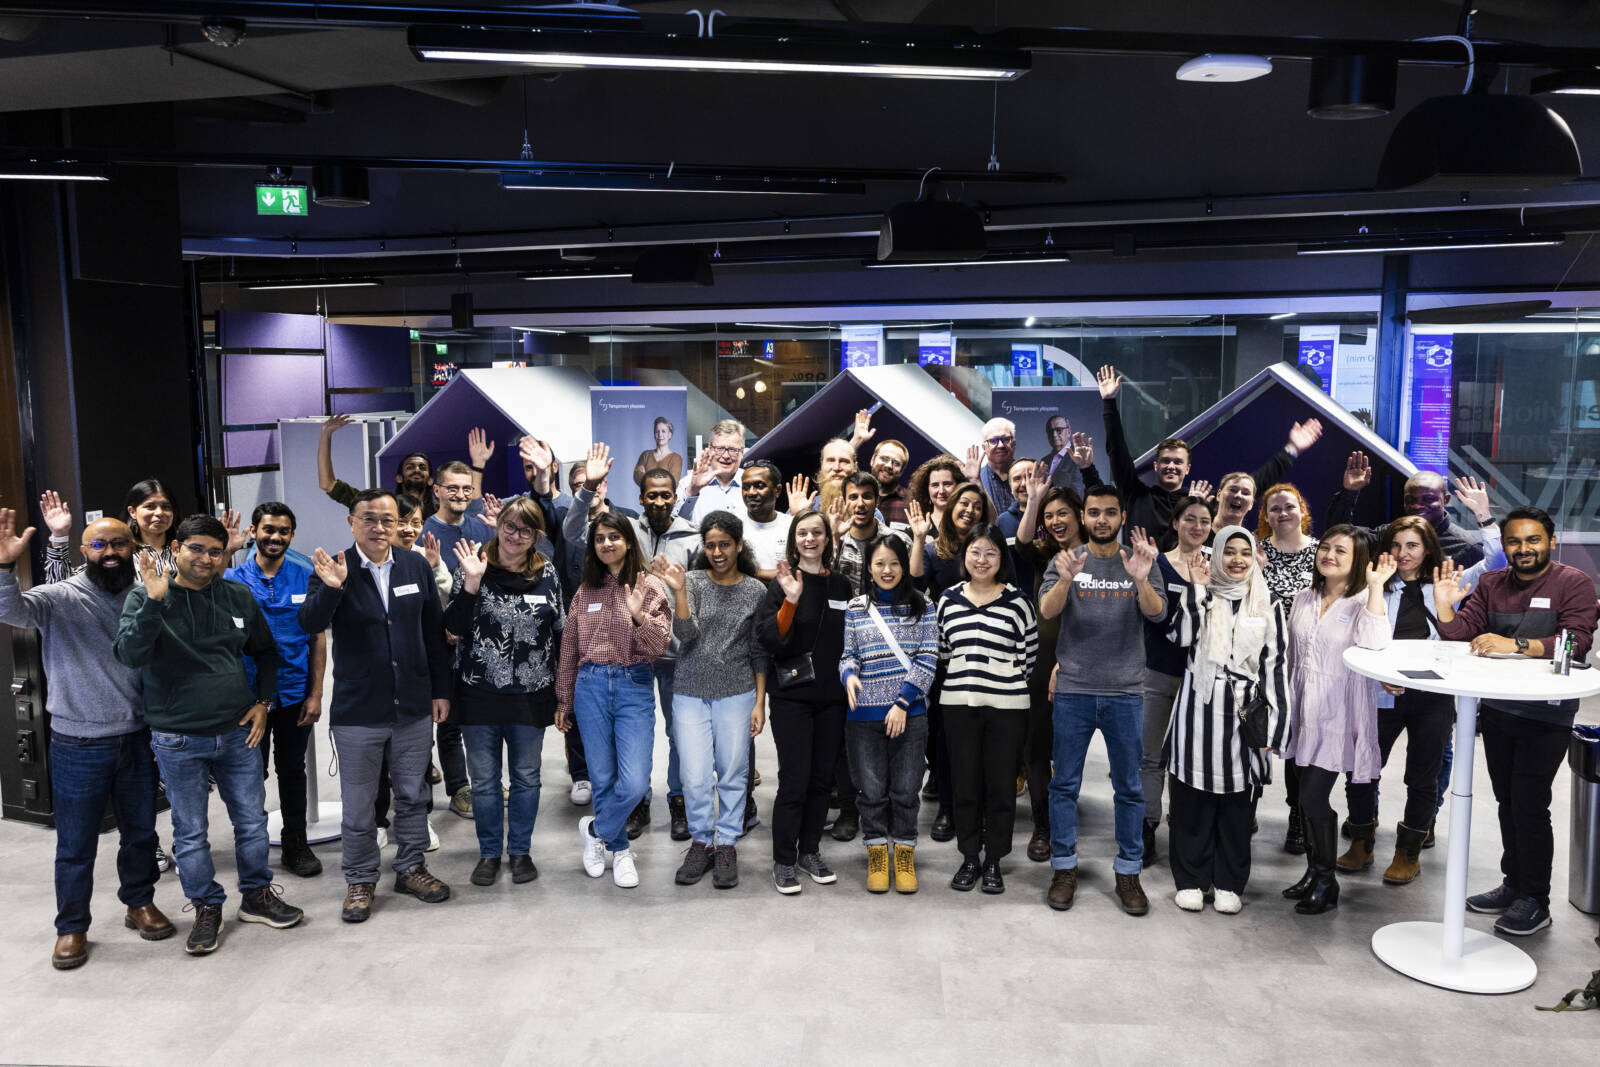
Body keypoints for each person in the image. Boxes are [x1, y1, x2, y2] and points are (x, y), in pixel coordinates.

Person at [114, 515, 304, 954]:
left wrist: (264, 703)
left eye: (214, 552)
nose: (205, 558)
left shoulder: (237, 595)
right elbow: (129, 653)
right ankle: (205, 906)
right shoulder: (147, 595)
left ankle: (256, 895)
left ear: (224, 555)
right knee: (192, 831)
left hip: (238, 732)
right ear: (177, 547)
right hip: (178, 738)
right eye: (196, 548)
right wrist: (155, 602)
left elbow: (266, 653)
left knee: (253, 822)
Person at [0, 510, 172, 970]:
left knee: (140, 834)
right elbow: (11, 611)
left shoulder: (144, 596)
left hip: (136, 739)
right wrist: (3, 570)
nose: (111, 553)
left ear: (132, 548)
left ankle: (139, 904)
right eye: (101, 545)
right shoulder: (60, 598)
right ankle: (71, 927)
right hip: (78, 744)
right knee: (76, 845)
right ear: (84, 551)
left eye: (119, 544)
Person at [1436, 506, 1599, 936]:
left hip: (1546, 713)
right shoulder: (1491, 583)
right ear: (1504, 544)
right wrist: (1445, 607)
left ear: (1550, 542)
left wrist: (1515, 644)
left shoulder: (1574, 583)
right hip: (1498, 710)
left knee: (1529, 804)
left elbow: (1577, 642)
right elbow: (1461, 635)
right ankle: (1514, 884)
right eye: (1514, 541)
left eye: (1533, 540)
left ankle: (1535, 900)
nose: (1523, 549)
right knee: (1508, 802)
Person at [298, 490, 454, 924]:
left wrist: (440, 691)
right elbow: (309, 623)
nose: (380, 527)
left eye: (388, 519)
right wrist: (332, 589)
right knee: (361, 804)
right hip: (358, 712)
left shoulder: (415, 566)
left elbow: (433, 635)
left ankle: (410, 868)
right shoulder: (333, 567)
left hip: (413, 707)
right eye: (369, 519)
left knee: (412, 795)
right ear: (352, 523)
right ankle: (361, 878)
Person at [1337, 516, 1499, 884]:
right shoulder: (1373, 583)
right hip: (1380, 692)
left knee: (1423, 775)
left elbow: (1495, 562)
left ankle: (1408, 850)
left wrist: (1486, 519)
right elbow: (1362, 635)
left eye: (1412, 545)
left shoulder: (1445, 582)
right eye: (1396, 545)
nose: (1402, 553)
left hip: (1433, 696)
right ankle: (1361, 839)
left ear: (1427, 549)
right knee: (1362, 769)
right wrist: (1380, 673)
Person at [1038, 486, 1165, 915]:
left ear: (1122, 515)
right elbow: (1048, 611)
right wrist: (1068, 578)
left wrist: (1142, 579)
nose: (1102, 520)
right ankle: (1064, 868)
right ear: (1085, 517)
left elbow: (1157, 612)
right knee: (1064, 785)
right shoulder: (1067, 560)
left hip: (1126, 691)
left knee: (1128, 788)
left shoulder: (1140, 558)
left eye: (1110, 512)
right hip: (1074, 689)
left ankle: (1128, 873)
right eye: (1094, 513)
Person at [1163, 525, 1291, 914]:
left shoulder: (1269, 605)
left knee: (1236, 807)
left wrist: (1276, 728)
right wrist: (1196, 588)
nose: (1237, 560)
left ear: (1254, 558)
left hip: (1244, 714)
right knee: (1190, 804)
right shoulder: (1204, 596)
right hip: (1197, 708)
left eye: (1244, 553)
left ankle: (1228, 882)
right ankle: (1190, 879)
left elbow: (1276, 668)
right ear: (1216, 555)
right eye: (1229, 552)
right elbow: (1180, 637)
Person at [444, 497, 565, 888]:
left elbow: (560, 632)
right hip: (479, 694)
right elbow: (454, 627)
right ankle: (489, 853)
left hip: (530, 696)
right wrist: (471, 583)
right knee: (484, 782)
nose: (516, 536)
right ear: (499, 526)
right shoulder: (476, 563)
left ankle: (520, 852)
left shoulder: (547, 571)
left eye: (526, 530)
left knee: (527, 779)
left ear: (536, 536)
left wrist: (562, 693)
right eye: (510, 527)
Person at [1281, 525, 1394, 916]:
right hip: (1301, 710)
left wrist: (1377, 586)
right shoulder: (1304, 597)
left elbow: (1377, 643)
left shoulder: (1365, 600)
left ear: (1358, 559)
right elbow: (1292, 656)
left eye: (1340, 551)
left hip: (1337, 712)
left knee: (1314, 798)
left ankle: (1327, 881)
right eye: (1325, 547)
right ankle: (1314, 872)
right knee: (1301, 799)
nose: (1328, 554)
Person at [555, 513, 672, 889]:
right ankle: (619, 849)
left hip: (632, 684)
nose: (607, 544)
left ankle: (596, 829)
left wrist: (639, 616)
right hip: (590, 686)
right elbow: (569, 648)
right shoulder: (584, 591)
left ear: (628, 541)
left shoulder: (650, 585)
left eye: (614, 537)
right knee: (602, 778)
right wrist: (563, 699)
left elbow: (659, 646)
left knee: (635, 781)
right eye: (600, 538)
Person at [652, 513, 768, 890]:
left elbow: (757, 650)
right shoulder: (693, 581)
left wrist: (759, 702)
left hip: (737, 691)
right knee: (695, 775)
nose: (717, 552)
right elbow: (685, 635)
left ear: (738, 545)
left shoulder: (755, 591)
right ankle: (701, 841)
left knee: (733, 773)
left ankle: (728, 843)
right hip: (688, 690)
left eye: (724, 544)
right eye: (711, 545)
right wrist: (680, 591)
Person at [1096, 363, 1321, 548]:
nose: (1171, 466)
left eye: (1178, 462)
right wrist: (1108, 402)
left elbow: (1252, 485)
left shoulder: (1202, 499)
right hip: (1139, 585)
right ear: (1155, 466)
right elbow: (1116, 449)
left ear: (1188, 468)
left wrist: (1291, 450)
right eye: (1165, 461)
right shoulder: (1135, 494)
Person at [223, 503, 327, 879]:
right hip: (246, 698)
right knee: (249, 775)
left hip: (295, 693)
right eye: (268, 529)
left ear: (291, 536)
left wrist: (315, 694)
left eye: (283, 531)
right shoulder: (233, 578)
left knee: (292, 770)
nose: (275, 537)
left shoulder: (306, 576)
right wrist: (225, 552)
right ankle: (250, 848)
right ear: (254, 531)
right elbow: (201, 597)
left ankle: (295, 844)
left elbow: (318, 640)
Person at [938, 525, 1038, 894]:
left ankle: (994, 859)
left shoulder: (1018, 601)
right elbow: (944, 654)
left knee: (999, 785)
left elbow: (1029, 657)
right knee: (965, 783)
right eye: (975, 552)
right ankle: (968, 856)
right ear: (965, 556)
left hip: (1007, 706)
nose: (982, 560)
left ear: (1002, 559)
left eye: (990, 553)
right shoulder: (947, 600)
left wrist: (1000, 679)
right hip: (959, 704)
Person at [757, 511, 852, 894]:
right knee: (794, 780)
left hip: (832, 698)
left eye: (817, 532)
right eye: (802, 533)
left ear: (828, 539)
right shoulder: (782, 584)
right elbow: (771, 640)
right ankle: (783, 860)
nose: (810, 538)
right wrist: (791, 602)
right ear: (793, 540)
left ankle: (808, 850)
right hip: (792, 697)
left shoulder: (844, 585)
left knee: (821, 779)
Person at [838, 536, 939, 894]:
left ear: (904, 567)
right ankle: (877, 851)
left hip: (909, 716)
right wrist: (848, 675)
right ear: (869, 568)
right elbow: (848, 654)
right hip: (862, 717)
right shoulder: (855, 608)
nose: (887, 570)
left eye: (894, 563)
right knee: (871, 791)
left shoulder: (923, 606)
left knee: (906, 790)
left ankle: (905, 852)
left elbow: (928, 659)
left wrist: (902, 702)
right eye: (879, 563)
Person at [907, 479, 991, 842]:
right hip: (944, 656)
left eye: (976, 506)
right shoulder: (933, 550)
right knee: (942, 734)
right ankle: (945, 806)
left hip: (984, 656)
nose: (969, 510)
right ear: (952, 506)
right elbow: (914, 582)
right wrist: (917, 538)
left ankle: (974, 807)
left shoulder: (989, 549)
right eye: (963, 504)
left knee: (981, 734)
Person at [1139, 494, 1214, 866]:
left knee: (1190, 758)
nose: (1197, 527)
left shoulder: (1219, 565)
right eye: (1190, 519)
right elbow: (1153, 617)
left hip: (1202, 678)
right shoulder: (1157, 564)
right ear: (1175, 523)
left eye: (1203, 520)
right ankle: (1147, 826)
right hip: (1157, 672)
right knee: (1150, 756)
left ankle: (1186, 828)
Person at [1014, 483, 1085, 863]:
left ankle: (1064, 818)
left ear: (1079, 514)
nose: (1056, 521)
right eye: (1049, 516)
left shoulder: (1102, 555)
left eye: (1063, 513)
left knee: (1069, 747)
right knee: (1036, 745)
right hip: (1041, 662)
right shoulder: (1045, 554)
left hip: (1084, 662)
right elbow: (1023, 544)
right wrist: (1035, 500)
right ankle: (1043, 825)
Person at [629, 465, 700, 841]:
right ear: (641, 498)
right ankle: (638, 801)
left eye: (665, 494)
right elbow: (578, 536)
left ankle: (678, 800)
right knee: (638, 733)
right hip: (635, 651)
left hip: (677, 654)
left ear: (676, 497)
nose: (659, 501)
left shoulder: (693, 538)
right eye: (651, 495)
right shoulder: (627, 533)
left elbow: (701, 593)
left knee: (678, 733)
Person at [1328, 452, 1493, 568]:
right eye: (1411, 500)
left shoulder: (1467, 547)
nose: (1417, 506)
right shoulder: (1387, 534)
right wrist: (1349, 492)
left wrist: (1483, 515)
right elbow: (1337, 535)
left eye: (1428, 499)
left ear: (1445, 500)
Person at [317, 412, 434, 517]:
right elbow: (327, 484)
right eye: (410, 467)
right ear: (399, 478)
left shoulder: (441, 510)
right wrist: (326, 434)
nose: (417, 470)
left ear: (430, 480)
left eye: (422, 467)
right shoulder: (381, 505)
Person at [1258, 483, 1318, 607]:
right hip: (1268, 625)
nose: (1283, 513)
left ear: (1302, 510)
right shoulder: (1257, 552)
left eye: (1289, 507)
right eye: (1275, 509)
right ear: (1266, 517)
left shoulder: (1321, 552)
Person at [679, 418, 748, 523]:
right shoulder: (689, 482)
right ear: (710, 448)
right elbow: (674, 523)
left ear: (742, 452)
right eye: (720, 449)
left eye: (733, 450)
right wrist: (692, 491)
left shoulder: (752, 483)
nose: (725, 456)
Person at [739, 460, 792, 579]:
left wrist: (750, 573)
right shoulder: (733, 527)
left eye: (759, 486)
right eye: (746, 487)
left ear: (777, 490)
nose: (751, 493)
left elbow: (798, 572)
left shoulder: (792, 525)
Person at [1040, 416, 1099, 496]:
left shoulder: (1080, 458)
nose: (1054, 435)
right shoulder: (1045, 460)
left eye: (1059, 430)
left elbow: (1079, 493)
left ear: (1068, 432)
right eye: (1050, 431)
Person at [972, 417, 1020, 515]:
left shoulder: (1036, 477)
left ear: (1014, 444)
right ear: (984, 447)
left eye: (1006, 439)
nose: (1001, 445)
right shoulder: (973, 480)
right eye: (993, 441)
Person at [908, 454, 964, 532]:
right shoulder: (916, 529)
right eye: (935, 485)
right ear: (926, 489)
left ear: (959, 485)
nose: (941, 491)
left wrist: (975, 480)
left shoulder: (967, 526)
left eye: (947, 484)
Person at [867, 439, 912, 526]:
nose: (888, 465)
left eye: (896, 463)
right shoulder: (855, 494)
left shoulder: (912, 502)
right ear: (872, 460)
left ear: (902, 471)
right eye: (884, 458)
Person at [632, 415, 685, 487]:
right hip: (646, 498)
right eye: (657, 431)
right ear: (654, 435)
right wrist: (663, 478)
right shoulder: (646, 455)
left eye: (663, 431)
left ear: (669, 435)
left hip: (666, 498)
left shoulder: (676, 458)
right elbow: (637, 476)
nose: (660, 434)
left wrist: (646, 476)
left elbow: (672, 484)